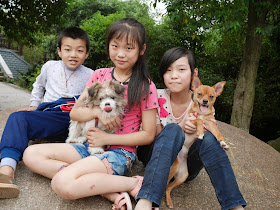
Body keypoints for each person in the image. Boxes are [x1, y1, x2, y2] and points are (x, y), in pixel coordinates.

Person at [23, 18, 158, 210]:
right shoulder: (99, 75)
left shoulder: (146, 86)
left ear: (141, 49)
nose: (120, 53)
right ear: (108, 46)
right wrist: (97, 113)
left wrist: (104, 137)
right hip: (87, 146)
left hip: (119, 153)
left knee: (62, 183)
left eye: (129, 48)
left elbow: (148, 134)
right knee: (31, 154)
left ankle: (133, 183)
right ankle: (105, 188)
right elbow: (75, 113)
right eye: (115, 46)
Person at [135, 47, 247, 210]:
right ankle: (146, 199)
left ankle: (235, 205)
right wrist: (180, 127)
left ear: (194, 74)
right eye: (168, 70)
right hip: (157, 157)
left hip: (187, 164)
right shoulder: (155, 95)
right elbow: (152, 135)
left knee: (210, 138)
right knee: (173, 129)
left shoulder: (205, 101)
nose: (174, 75)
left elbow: (210, 134)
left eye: (181, 69)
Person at [0, 26, 93, 199]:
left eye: (79, 50)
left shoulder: (91, 74)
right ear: (59, 51)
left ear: (86, 54)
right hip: (50, 114)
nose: (73, 54)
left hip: (75, 118)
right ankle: (6, 169)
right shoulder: (50, 66)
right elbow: (39, 86)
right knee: (17, 118)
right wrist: (34, 105)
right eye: (67, 49)